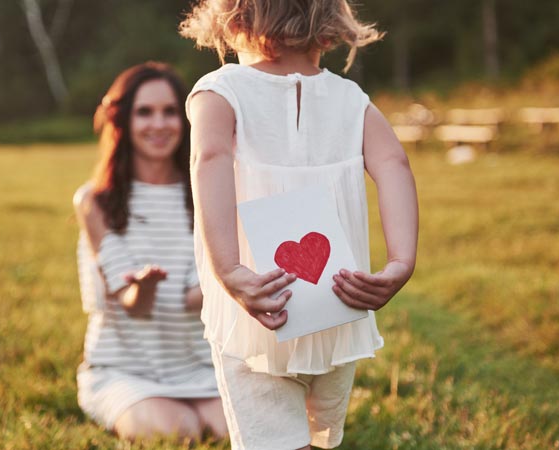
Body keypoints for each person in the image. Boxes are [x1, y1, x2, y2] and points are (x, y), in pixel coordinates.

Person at [180, 1, 419, 449]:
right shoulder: (351, 99)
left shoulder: (220, 90)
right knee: (319, 439)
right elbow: (394, 165)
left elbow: (208, 160)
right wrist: (400, 262)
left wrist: (231, 270)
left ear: (232, 19)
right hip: (337, 302)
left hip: (259, 301)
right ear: (331, 25)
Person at [73, 62, 227, 442]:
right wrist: (143, 286)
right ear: (123, 120)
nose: (159, 124)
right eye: (145, 112)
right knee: (179, 431)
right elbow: (133, 304)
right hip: (125, 370)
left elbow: (196, 298)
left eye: (170, 111)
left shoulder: (206, 194)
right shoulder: (96, 202)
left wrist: (240, 277)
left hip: (199, 368)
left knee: (232, 431)